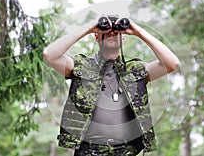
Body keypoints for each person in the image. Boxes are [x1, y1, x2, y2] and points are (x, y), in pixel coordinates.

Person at [43, 15, 180, 156]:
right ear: (96, 37)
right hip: (88, 151)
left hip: (127, 151)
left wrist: (138, 31)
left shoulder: (136, 70)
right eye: (106, 30)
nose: (111, 33)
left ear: (124, 37)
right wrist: (89, 28)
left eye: (117, 31)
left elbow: (172, 64)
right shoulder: (81, 66)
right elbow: (50, 55)